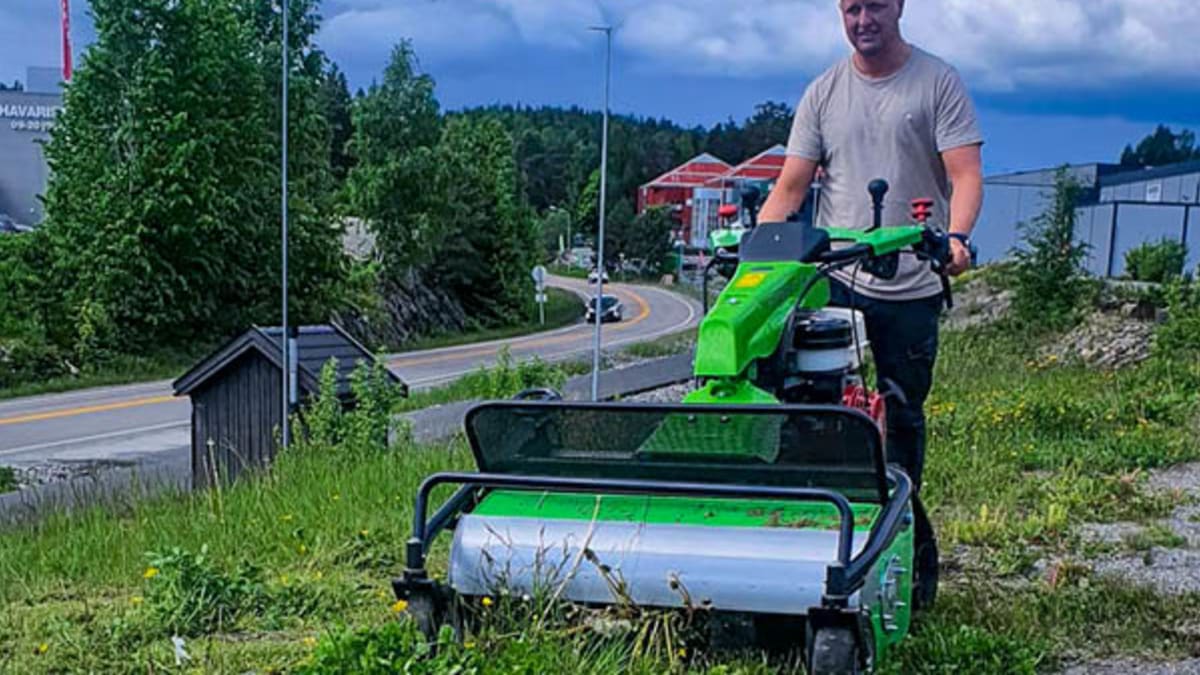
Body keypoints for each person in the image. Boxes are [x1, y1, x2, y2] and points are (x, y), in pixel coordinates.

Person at [757, 0, 984, 608]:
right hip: (837, 281)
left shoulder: (937, 82)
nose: (864, 19)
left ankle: (907, 563)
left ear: (900, 7)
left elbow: (964, 173)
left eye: (876, 6)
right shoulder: (824, 93)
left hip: (910, 282)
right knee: (811, 417)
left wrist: (956, 239)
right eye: (852, 7)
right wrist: (759, 258)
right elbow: (790, 187)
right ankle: (812, 553)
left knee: (900, 426)